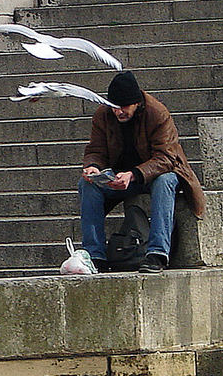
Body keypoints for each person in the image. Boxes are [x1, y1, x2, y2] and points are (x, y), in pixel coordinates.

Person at [79, 70, 206, 273]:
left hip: (157, 173)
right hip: (120, 176)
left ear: (137, 102)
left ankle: (157, 254)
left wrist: (133, 174)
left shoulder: (157, 113)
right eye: (115, 107)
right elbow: (96, 150)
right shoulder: (103, 115)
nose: (119, 112)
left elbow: (166, 158)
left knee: (165, 181)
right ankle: (95, 255)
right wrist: (93, 167)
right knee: (88, 184)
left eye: (124, 107)